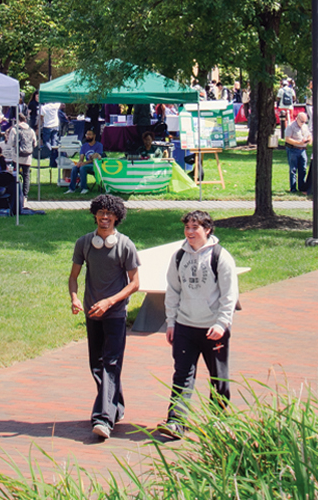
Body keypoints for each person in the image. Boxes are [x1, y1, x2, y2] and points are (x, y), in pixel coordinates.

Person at [156, 210, 240, 440]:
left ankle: (218, 422)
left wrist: (222, 323)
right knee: (182, 375)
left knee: (218, 377)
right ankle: (176, 422)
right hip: (185, 326)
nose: (190, 232)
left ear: (207, 230)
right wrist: (171, 322)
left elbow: (229, 295)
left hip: (213, 329)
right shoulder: (179, 257)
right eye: (187, 228)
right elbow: (173, 291)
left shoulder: (221, 257)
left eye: (195, 228)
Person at [67, 194, 140, 440]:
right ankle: (115, 406)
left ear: (117, 218)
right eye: (101, 213)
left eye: (110, 214)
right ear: (95, 215)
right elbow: (73, 276)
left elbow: (134, 284)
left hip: (116, 313)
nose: (105, 217)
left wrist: (110, 301)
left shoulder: (125, 245)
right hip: (91, 312)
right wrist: (75, 298)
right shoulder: (85, 243)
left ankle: (103, 418)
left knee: (110, 363)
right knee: (96, 365)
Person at [283, 111, 311, 193]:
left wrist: (308, 139)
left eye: (305, 121)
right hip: (293, 149)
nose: (303, 123)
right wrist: (298, 143)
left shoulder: (305, 126)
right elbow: (287, 139)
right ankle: (293, 188)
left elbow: (309, 135)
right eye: (302, 121)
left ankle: (302, 187)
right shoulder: (291, 126)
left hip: (302, 150)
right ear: (297, 119)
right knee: (293, 169)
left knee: (303, 169)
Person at [69, 129, 103, 194]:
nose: (88, 136)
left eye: (90, 134)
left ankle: (84, 188)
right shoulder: (84, 146)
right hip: (86, 164)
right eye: (87, 134)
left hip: (95, 165)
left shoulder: (99, 145)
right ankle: (71, 188)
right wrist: (80, 162)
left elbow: (96, 158)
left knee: (82, 168)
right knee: (74, 168)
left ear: (94, 136)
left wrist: (84, 163)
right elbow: (81, 157)